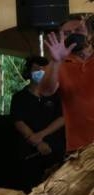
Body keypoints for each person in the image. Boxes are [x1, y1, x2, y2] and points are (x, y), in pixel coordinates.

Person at [40, 14, 94, 153]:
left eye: (78, 30)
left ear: (89, 33)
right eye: (67, 33)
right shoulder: (58, 65)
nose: (73, 35)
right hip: (80, 147)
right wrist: (56, 61)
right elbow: (46, 90)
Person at [11, 55, 65, 191]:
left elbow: (62, 118)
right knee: (31, 188)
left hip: (55, 148)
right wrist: (36, 141)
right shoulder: (19, 97)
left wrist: (41, 135)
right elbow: (18, 121)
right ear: (29, 72)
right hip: (29, 151)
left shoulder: (56, 95)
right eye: (36, 69)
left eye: (44, 69)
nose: (40, 72)